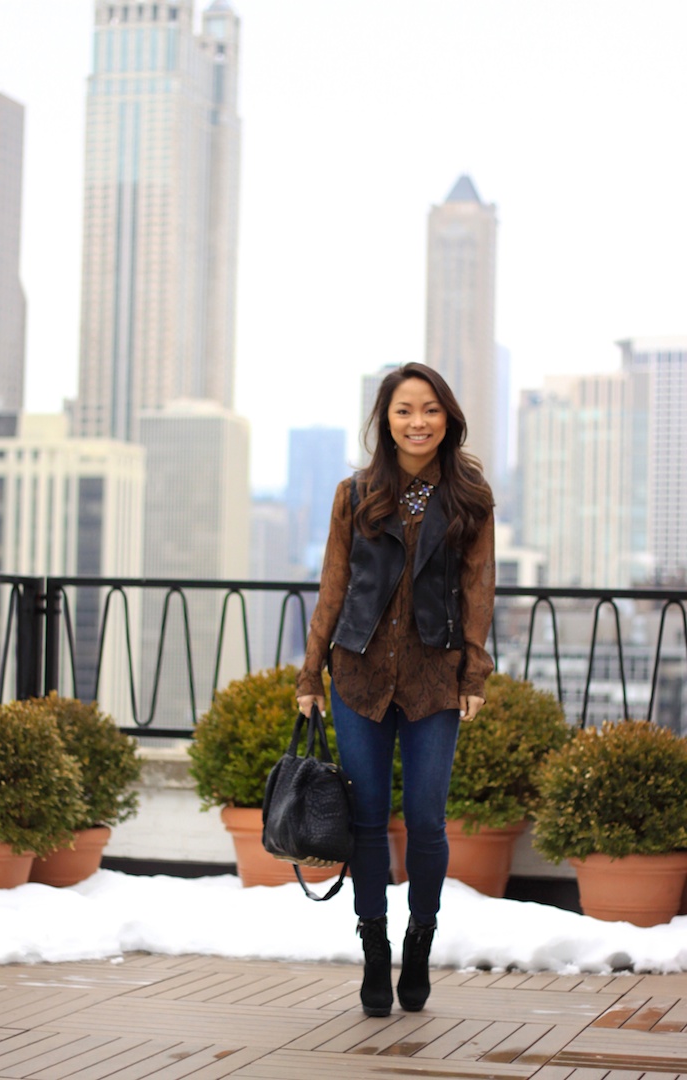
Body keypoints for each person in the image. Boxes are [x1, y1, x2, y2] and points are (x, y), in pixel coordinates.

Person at [296, 362, 495, 1017]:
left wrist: (474, 673)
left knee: (429, 821)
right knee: (367, 820)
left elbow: (477, 591)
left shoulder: (470, 495)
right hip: (357, 676)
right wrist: (309, 673)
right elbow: (333, 586)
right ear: (385, 418)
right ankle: (374, 948)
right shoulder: (353, 493)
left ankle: (419, 941)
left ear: (448, 418)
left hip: (436, 678)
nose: (418, 422)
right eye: (405, 409)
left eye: (430, 409)